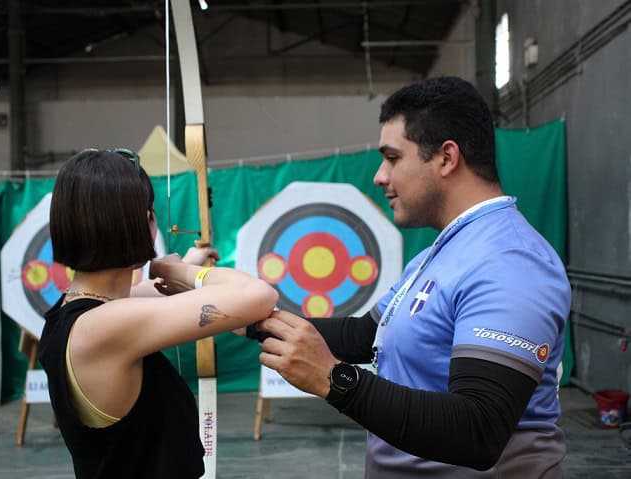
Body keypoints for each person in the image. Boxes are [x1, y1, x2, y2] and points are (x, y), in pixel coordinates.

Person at [247, 77, 571, 478]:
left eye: (393, 158)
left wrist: (334, 378)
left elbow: (479, 429)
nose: (379, 176)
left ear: (447, 158)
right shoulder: (437, 254)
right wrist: (244, 317)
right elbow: (363, 335)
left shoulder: (510, 260)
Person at [38, 148, 279, 478]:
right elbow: (258, 295)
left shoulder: (75, 310)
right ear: (138, 224)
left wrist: (189, 262)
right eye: (150, 214)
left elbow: (147, 293)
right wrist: (180, 272)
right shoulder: (106, 326)